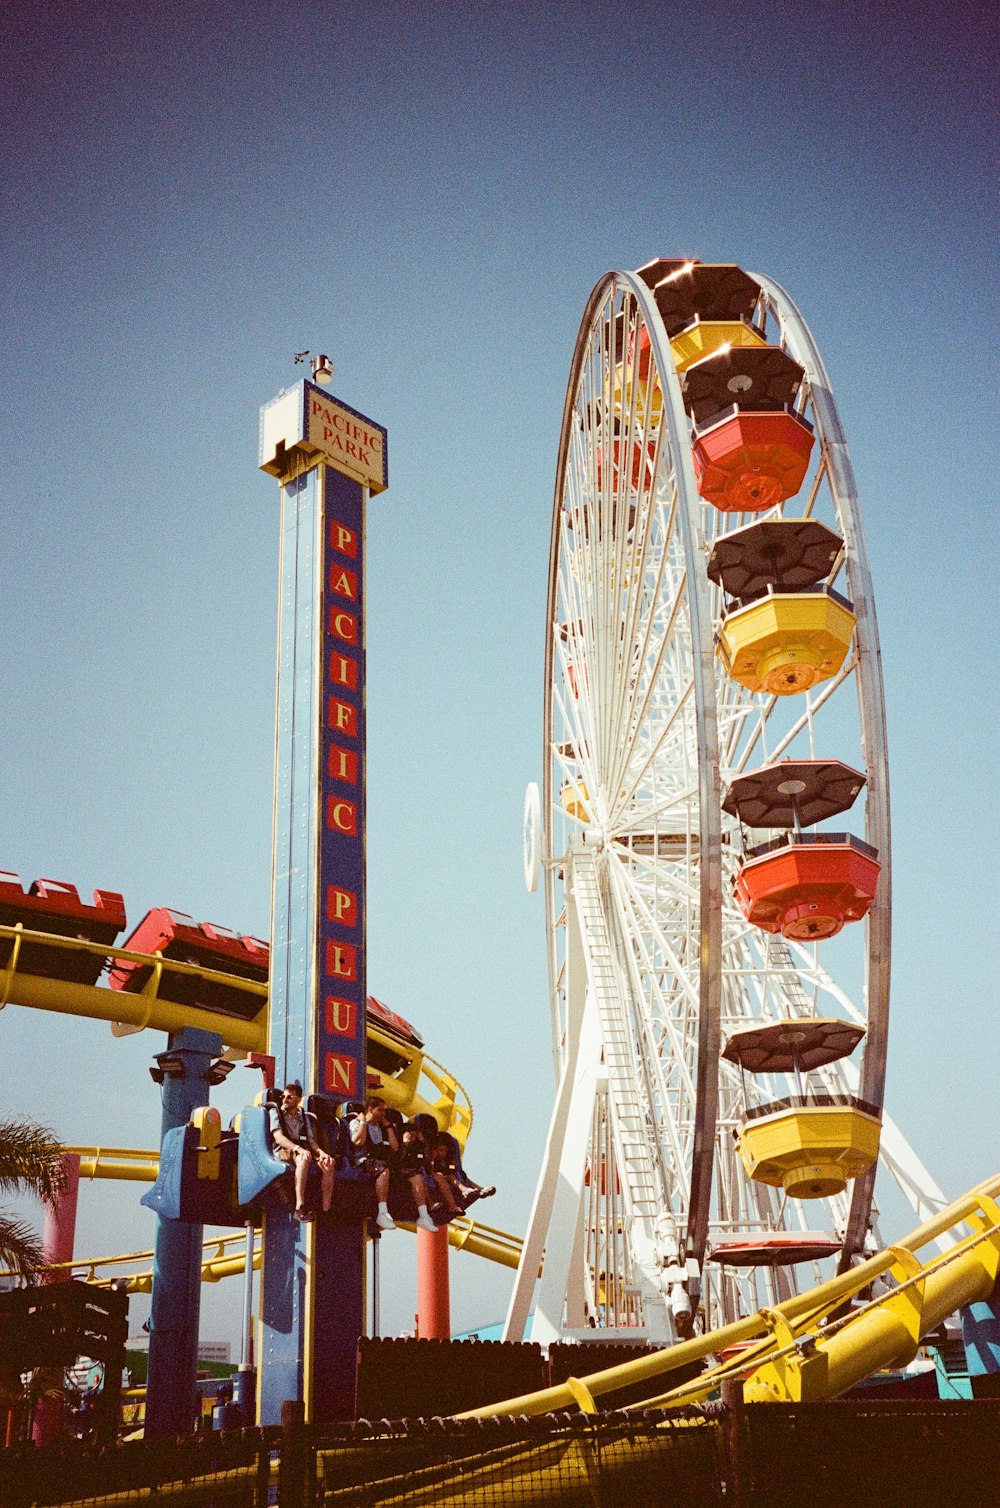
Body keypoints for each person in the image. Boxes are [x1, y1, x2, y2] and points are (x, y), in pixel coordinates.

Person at [350, 1096, 437, 1232]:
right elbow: (358, 1142)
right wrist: (363, 1123)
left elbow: (395, 1147)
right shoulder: (356, 1123)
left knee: (417, 1176)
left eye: (384, 1110)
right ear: (370, 1109)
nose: (383, 1114)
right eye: (380, 1110)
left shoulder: (382, 1127)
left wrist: (388, 1126)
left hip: (383, 1161)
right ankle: (382, 1212)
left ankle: (424, 1215)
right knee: (384, 1170)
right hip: (365, 1161)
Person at [268, 1081, 335, 1221]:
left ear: (298, 1099)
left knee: (328, 1164)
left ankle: (326, 1210)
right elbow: (278, 1138)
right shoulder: (276, 1112)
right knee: (303, 1158)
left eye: (289, 1097)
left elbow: (310, 1140)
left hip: (302, 1148)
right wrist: (297, 1148)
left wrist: (322, 1153)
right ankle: (300, 1207)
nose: (285, 1099)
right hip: (284, 1148)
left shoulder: (303, 1115)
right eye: (283, 1096)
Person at [431, 1132, 496, 1208]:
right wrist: (432, 1159)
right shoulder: (432, 1160)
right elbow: (430, 1171)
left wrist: (453, 1164)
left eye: (445, 1151)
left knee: (463, 1177)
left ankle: (480, 1189)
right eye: (441, 1150)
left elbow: (450, 1169)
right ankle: (465, 1191)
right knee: (450, 1176)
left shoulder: (443, 1162)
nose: (443, 1153)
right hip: (436, 1178)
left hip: (445, 1178)